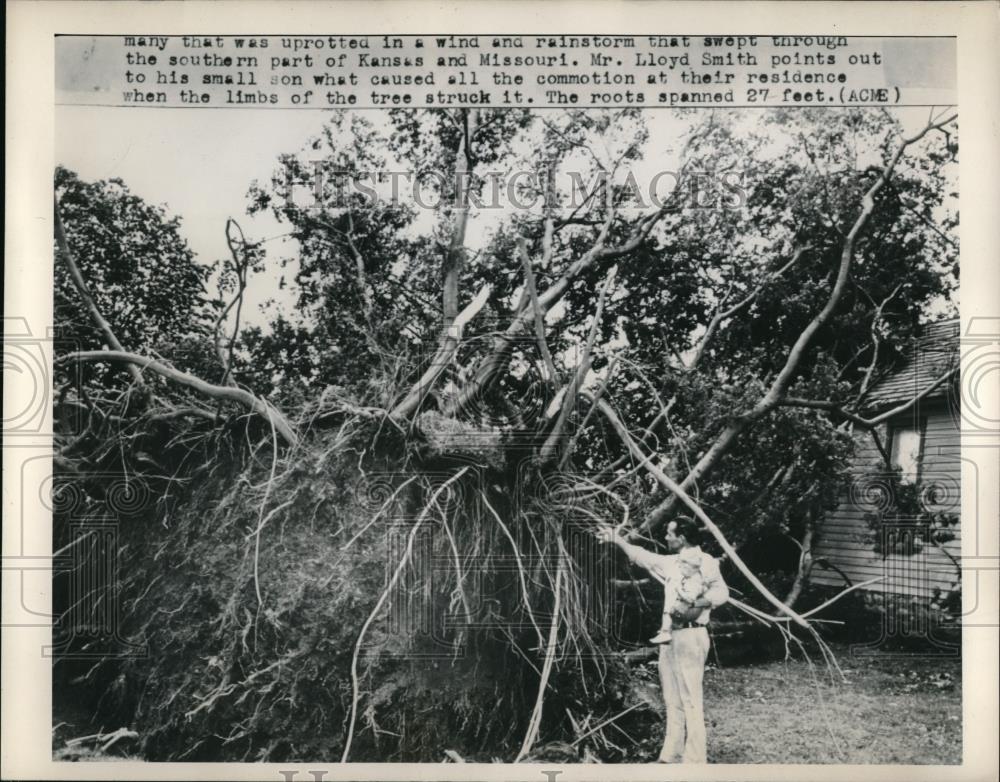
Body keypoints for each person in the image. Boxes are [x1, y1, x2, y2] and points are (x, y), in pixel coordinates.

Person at [595, 516, 729, 764]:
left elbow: (722, 593)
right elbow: (641, 555)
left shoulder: (706, 562)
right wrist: (616, 539)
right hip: (670, 638)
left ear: (682, 537)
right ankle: (671, 754)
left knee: (691, 698)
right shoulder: (670, 563)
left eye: (669, 533)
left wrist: (695, 602)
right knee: (671, 697)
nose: (666, 537)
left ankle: (694, 760)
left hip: (692, 633)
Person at [649, 545, 706, 645]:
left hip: (689, 621)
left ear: (692, 567)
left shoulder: (696, 581)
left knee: (670, 607)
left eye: (683, 566)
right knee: (669, 606)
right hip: (680, 614)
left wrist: (679, 590)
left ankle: (666, 631)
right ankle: (665, 630)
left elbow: (690, 599)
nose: (680, 568)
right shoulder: (688, 577)